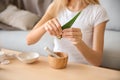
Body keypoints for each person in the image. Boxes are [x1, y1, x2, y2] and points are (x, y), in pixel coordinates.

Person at [26, 0, 109, 66]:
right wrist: (45, 26)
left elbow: (97, 61)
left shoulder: (97, 12)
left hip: (83, 69)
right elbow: (29, 40)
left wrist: (79, 42)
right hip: (58, 65)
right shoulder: (56, 6)